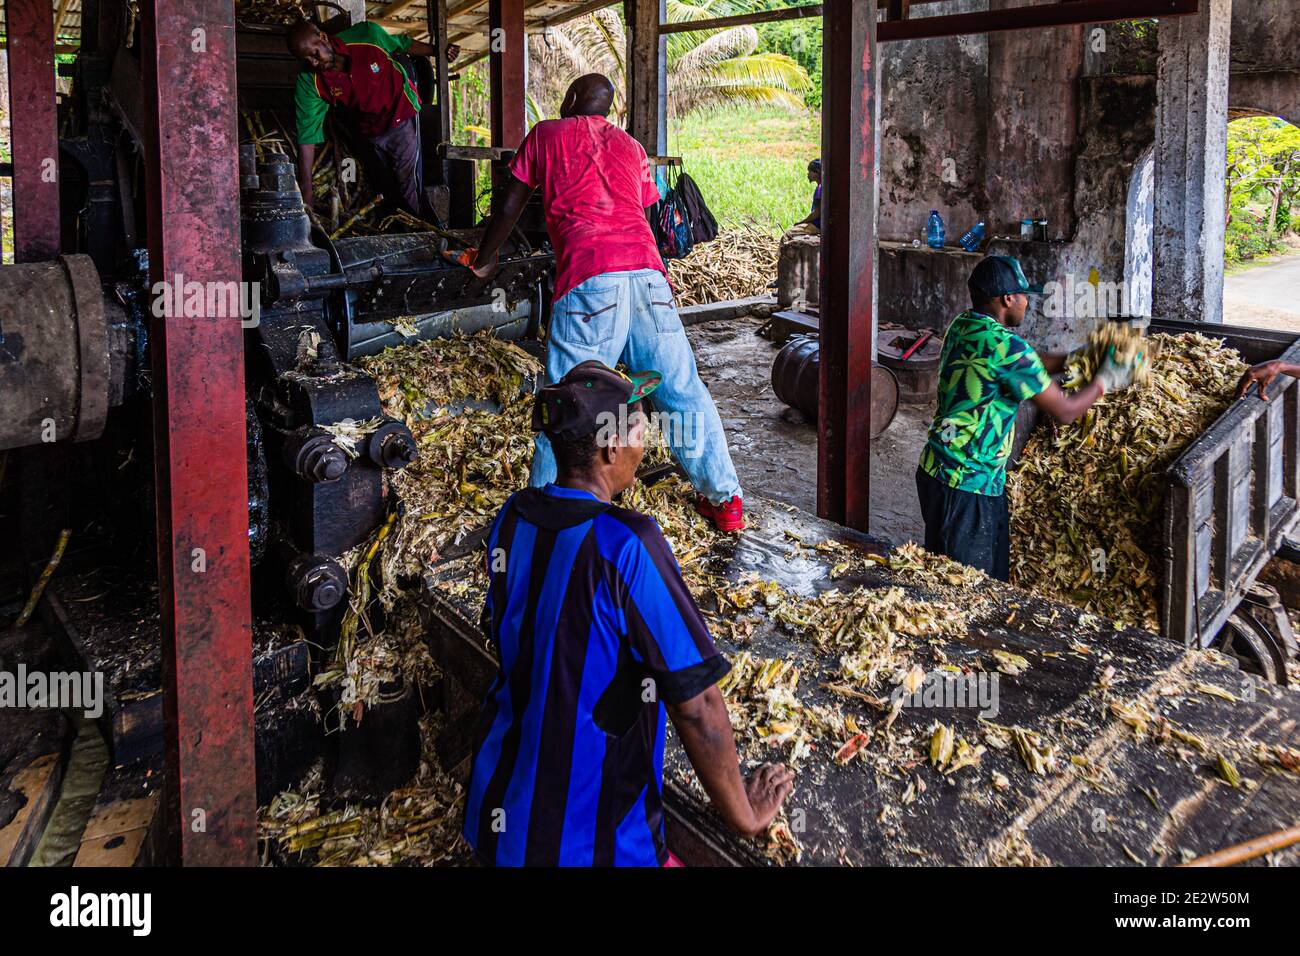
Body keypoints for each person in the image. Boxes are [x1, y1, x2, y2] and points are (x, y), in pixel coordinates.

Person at [463, 360, 794, 867]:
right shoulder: (625, 543)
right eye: (639, 424)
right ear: (612, 448)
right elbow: (698, 704)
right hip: (586, 846)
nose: (647, 436)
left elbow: (510, 627)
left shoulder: (513, 515)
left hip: (494, 815)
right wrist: (744, 816)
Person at [467, 73, 747, 532]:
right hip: (650, 278)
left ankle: (542, 519)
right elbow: (648, 212)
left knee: (566, 400)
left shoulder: (546, 134)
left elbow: (509, 205)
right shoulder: (633, 147)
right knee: (680, 388)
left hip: (591, 278)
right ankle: (725, 499)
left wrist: (484, 260)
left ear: (571, 98)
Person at [916, 256, 1146, 580]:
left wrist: (1079, 357)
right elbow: (1066, 411)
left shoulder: (964, 325)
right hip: (967, 482)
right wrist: (1105, 378)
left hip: (937, 467)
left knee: (957, 571)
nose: (1028, 303)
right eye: (1024, 296)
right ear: (1008, 299)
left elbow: (1030, 361)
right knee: (964, 588)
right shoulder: (1009, 348)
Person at [287, 19, 459, 217]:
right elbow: (308, 135)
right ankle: (397, 225)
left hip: (401, 114)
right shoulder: (309, 80)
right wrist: (306, 189)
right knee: (385, 186)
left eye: (315, 54)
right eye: (306, 59)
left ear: (323, 38)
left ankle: (419, 230)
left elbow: (403, 43)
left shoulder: (367, 35)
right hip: (370, 130)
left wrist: (438, 50)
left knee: (408, 184)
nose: (313, 63)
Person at [791, 158, 822, 231]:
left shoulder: (820, 189)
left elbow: (817, 213)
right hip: (817, 224)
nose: (808, 174)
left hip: (817, 225)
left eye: (810, 171)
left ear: (817, 172)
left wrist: (801, 222)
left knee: (788, 235)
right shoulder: (821, 187)